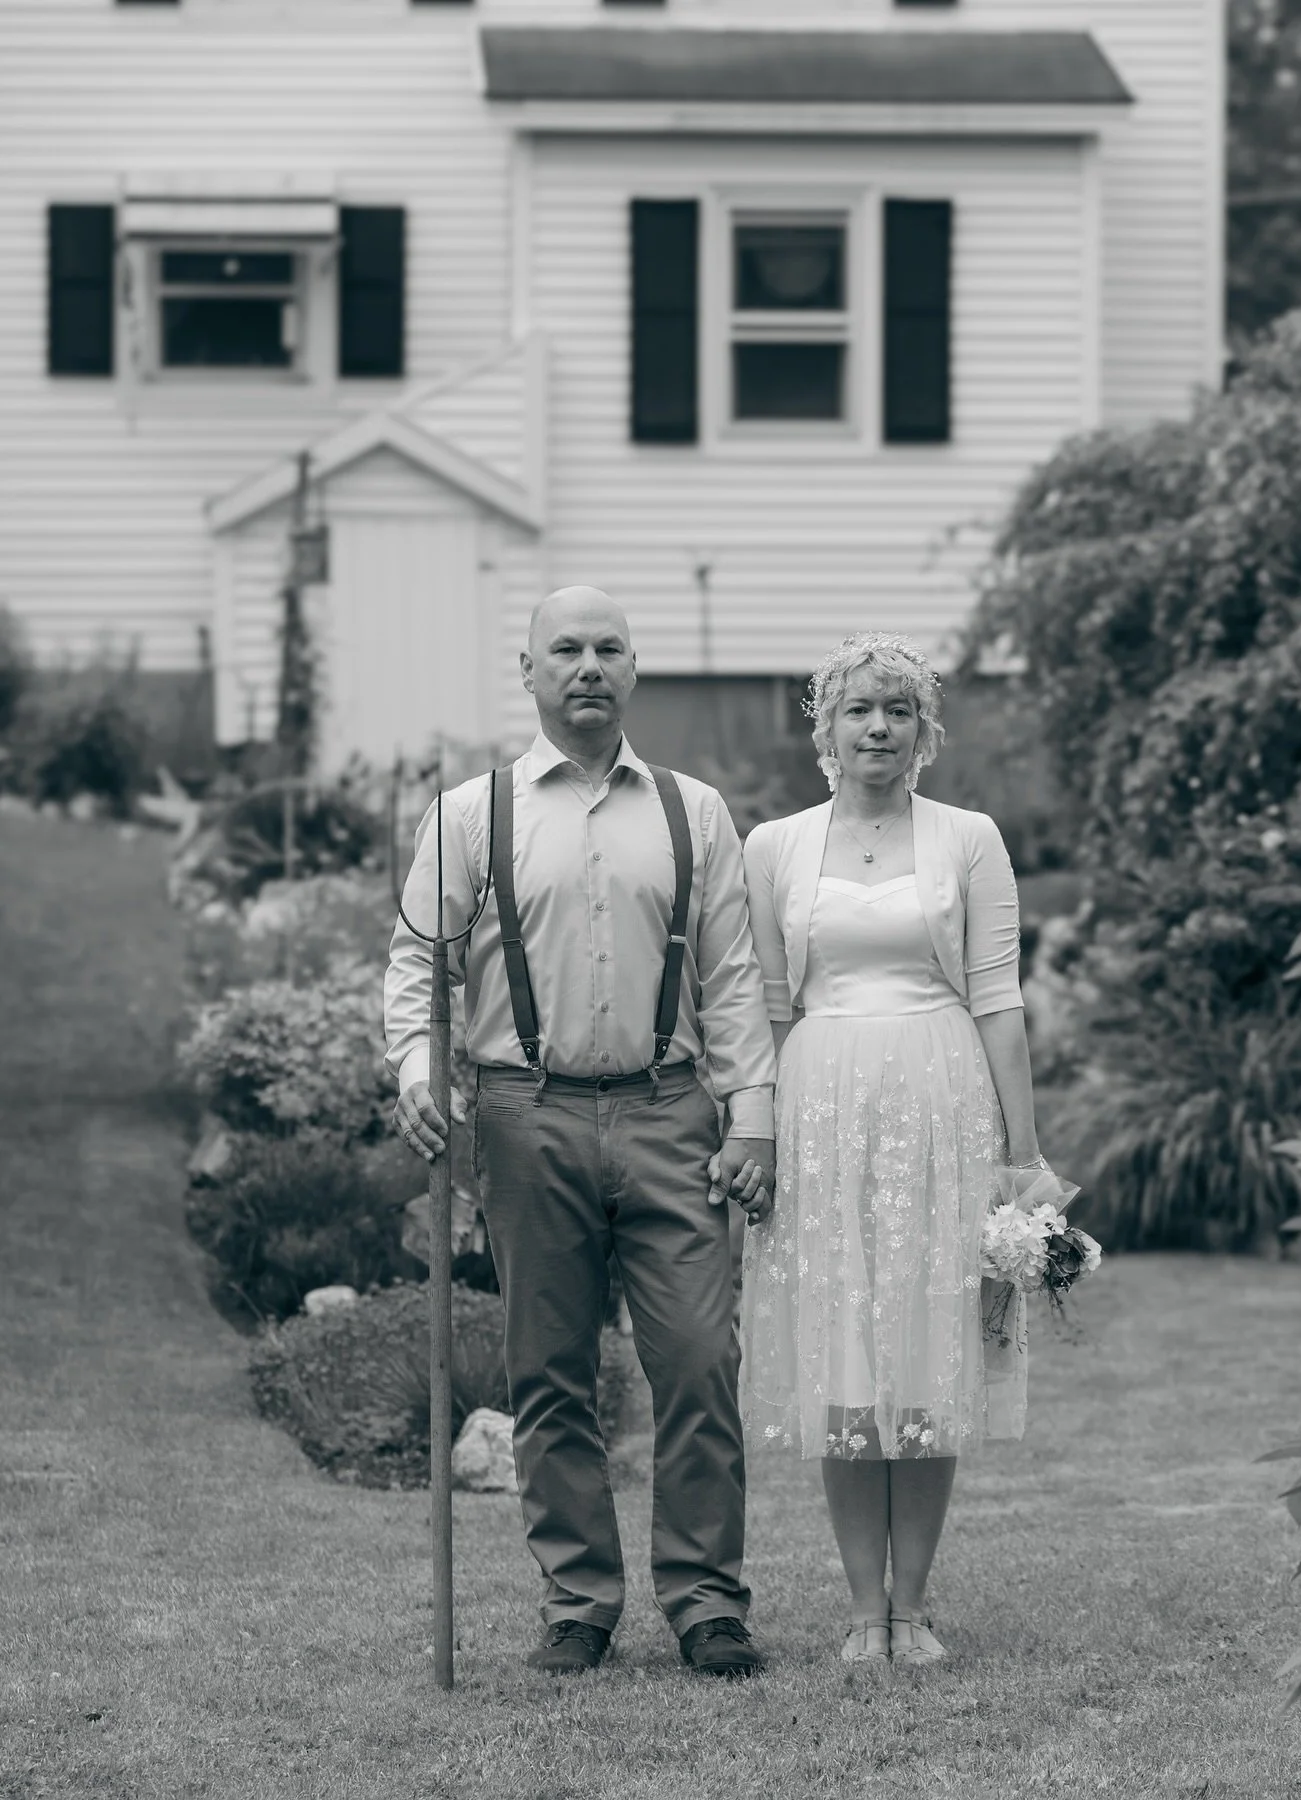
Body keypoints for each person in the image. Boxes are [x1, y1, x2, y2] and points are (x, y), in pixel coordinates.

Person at [385, 587, 777, 1678]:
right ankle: (580, 1601)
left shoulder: (694, 812)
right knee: (548, 1369)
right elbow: (417, 963)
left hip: (672, 1109)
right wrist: (422, 1071)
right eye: (567, 649)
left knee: (698, 1360)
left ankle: (707, 1602)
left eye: (609, 648)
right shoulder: (475, 814)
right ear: (529, 672)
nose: (589, 666)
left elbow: (734, 976)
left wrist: (756, 1118)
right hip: (525, 1112)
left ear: (635, 669)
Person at [733, 632, 1047, 1667]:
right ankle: (862, 1609)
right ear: (823, 730)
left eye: (898, 711)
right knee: (846, 1357)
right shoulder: (775, 845)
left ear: (925, 731)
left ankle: (914, 1606)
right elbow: (769, 1006)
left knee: (925, 1353)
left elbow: (998, 998)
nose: (878, 728)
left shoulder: (969, 838)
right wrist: (761, 1127)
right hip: (821, 1105)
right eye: (859, 710)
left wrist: (1021, 1155)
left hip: (941, 1101)